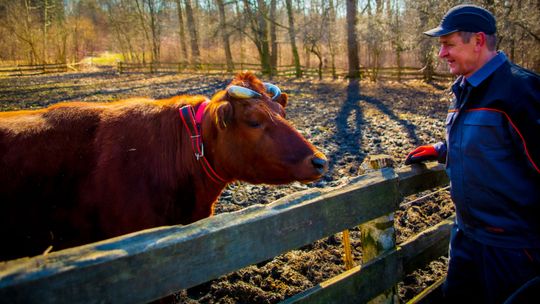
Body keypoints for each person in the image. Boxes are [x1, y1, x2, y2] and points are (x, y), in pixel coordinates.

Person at [404, 4, 540, 303]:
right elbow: (489, 141)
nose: (441, 54)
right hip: (466, 236)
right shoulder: (463, 88)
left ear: (478, 41)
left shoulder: (520, 90)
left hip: (513, 247)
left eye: (448, 45)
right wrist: (442, 150)